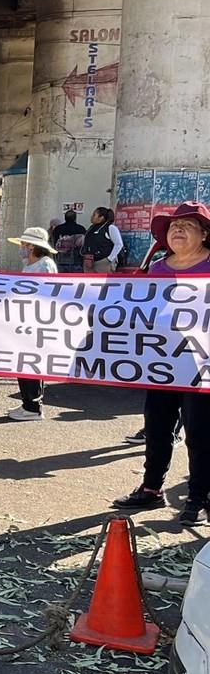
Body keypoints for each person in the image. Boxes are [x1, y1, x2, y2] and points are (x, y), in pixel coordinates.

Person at [112, 202, 210, 526]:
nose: (177, 230)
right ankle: (151, 488)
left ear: (205, 234)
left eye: (188, 226)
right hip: (162, 363)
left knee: (198, 432)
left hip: (201, 365)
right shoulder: (157, 268)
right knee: (156, 427)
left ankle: (198, 496)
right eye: (173, 226)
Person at [5, 227, 59, 421]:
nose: (22, 248)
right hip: (24, 319)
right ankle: (28, 403)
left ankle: (33, 405)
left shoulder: (45, 265)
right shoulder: (29, 265)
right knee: (23, 362)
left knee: (31, 362)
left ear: (33, 246)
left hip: (36, 321)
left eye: (25, 244)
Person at [83, 206, 123, 273]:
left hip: (103, 261)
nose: (92, 217)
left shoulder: (110, 228)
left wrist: (109, 259)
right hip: (89, 261)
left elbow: (118, 244)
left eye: (94, 215)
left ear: (101, 218)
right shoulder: (91, 228)